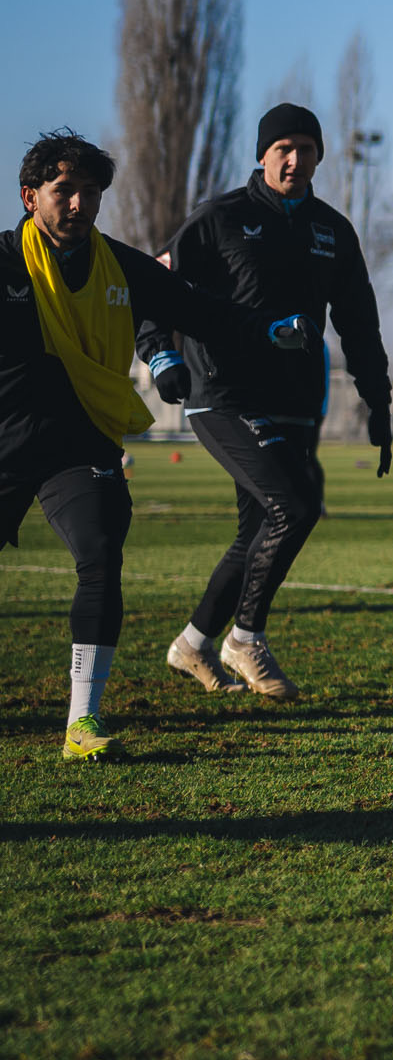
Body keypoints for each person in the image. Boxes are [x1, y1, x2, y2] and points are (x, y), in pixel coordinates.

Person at [10, 132, 304, 757]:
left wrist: (266, 327)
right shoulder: (7, 264)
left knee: (100, 553)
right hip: (5, 441)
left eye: (91, 193)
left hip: (80, 440)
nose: (79, 204)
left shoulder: (121, 264)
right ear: (31, 196)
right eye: (65, 191)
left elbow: (201, 309)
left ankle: (81, 724)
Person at [137, 102, 392, 698]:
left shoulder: (333, 231)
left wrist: (377, 400)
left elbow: (359, 322)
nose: (295, 159)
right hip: (223, 393)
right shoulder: (220, 218)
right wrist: (160, 354)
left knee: (258, 531)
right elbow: (154, 285)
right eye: (284, 148)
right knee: (296, 506)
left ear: (319, 156)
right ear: (262, 154)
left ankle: (194, 643)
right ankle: (245, 638)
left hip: (297, 399)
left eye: (306, 148)